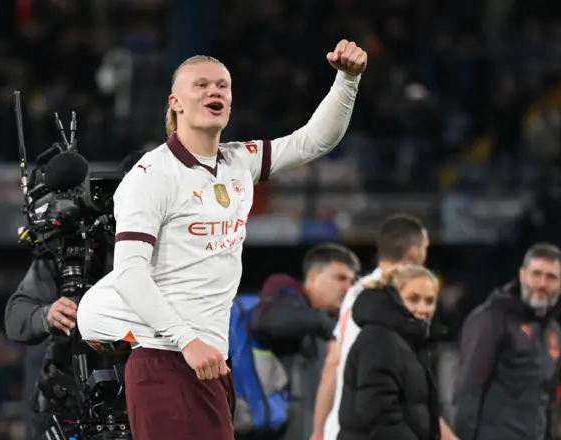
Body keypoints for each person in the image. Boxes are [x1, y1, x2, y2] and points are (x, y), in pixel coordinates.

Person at [76, 40, 367, 440]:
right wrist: (187, 341)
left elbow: (312, 141)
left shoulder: (238, 161)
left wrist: (348, 79)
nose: (215, 91)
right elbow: (129, 272)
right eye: (201, 85)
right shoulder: (151, 175)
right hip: (168, 359)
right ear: (175, 102)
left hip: (211, 361)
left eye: (223, 86)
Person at [3, 151, 144, 440]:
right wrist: (46, 315)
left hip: (142, 397)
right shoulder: (77, 244)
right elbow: (16, 316)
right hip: (70, 405)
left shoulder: (169, 251)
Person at [313, 214, 432, 440]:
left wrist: (318, 430)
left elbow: (332, 362)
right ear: (415, 251)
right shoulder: (402, 299)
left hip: (340, 426)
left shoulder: (357, 292)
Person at [453, 243, 561, 440]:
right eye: (536, 274)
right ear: (522, 275)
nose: (542, 284)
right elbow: (468, 390)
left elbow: (549, 400)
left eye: (551, 277)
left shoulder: (554, 332)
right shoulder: (491, 318)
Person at [250, 243, 360, 440]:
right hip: (282, 424)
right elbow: (265, 321)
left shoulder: (336, 318)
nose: (347, 287)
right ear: (312, 276)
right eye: (340, 278)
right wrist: (326, 327)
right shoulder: (285, 290)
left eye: (352, 280)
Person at [338, 265, 444, 440]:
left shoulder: (408, 343)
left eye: (429, 301)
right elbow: (379, 414)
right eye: (413, 299)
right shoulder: (380, 339)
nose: (423, 309)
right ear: (395, 299)